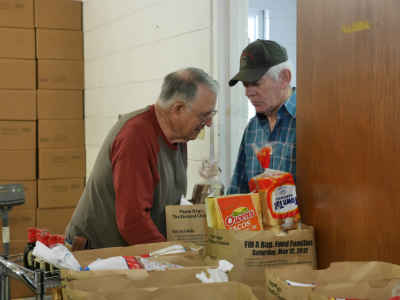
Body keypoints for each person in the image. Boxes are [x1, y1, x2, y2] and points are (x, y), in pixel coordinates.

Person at [65, 67, 218, 249]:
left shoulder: (178, 137)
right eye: (204, 115)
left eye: (211, 114)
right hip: (96, 255)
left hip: (130, 252)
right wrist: (173, 255)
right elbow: (132, 221)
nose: (209, 123)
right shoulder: (136, 137)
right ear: (178, 109)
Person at [227, 39, 296, 194]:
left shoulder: (311, 120)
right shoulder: (253, 128)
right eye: (245, 84)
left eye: (256, 83)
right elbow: (238, 190)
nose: (248, 92)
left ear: (284, 78)